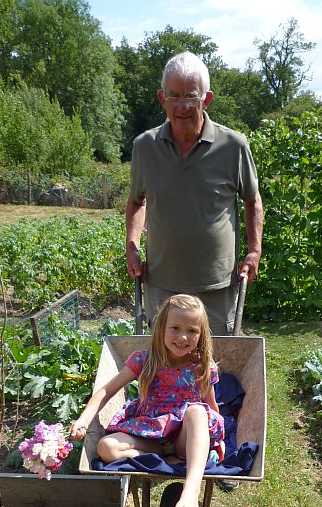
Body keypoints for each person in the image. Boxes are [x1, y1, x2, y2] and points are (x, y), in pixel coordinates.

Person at [125, 51, 264, 336]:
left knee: (216, 369)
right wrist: (132, 245)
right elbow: (137, 201)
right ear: (162, 99)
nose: (183, 106)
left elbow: (252, 200)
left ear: (206, 99)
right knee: (166, 370)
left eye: (191, 96)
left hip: (216, 287)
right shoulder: (145, 147)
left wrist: (254, 250)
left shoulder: (233, 146)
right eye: (174, 96)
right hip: (162, 285)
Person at [69, 294, 224, 507]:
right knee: (105, 447)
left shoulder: (202, 367)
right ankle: (161, 459)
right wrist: (83, 420)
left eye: (192, 330)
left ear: (201, 335)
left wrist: (218, 441)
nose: (183, 337)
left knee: (197, 411)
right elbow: (105, 391)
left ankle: (191, 489)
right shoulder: (144, 360)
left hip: (183, 436)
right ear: (161, 329)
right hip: (150, 435)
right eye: (175, 328)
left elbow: (212, 409)